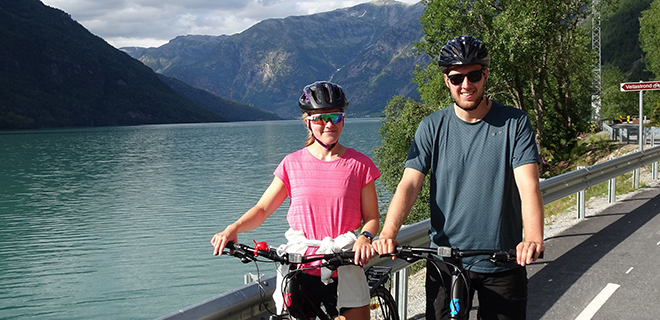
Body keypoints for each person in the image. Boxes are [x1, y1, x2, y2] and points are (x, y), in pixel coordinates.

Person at [372, 36, 545, 319]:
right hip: (446, 262)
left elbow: (529, 187)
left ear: (486, 75)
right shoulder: (431, 127)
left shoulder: (515, 123)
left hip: (502, 261)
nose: (466, 85)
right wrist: (388, 234)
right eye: (457, 78)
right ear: (446, 80)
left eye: (474, 75)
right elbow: (409, 185)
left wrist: (533, 238)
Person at [211, 81, 380, 320]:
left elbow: (372, 218)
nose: (329, 124)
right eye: (320, 118)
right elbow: (262, 209)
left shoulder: (360, 165)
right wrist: (233, 228)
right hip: (300, 266)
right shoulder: (292, 164)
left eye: (336, 116)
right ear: (307, 121)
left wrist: (365, 237)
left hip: (345, 264)